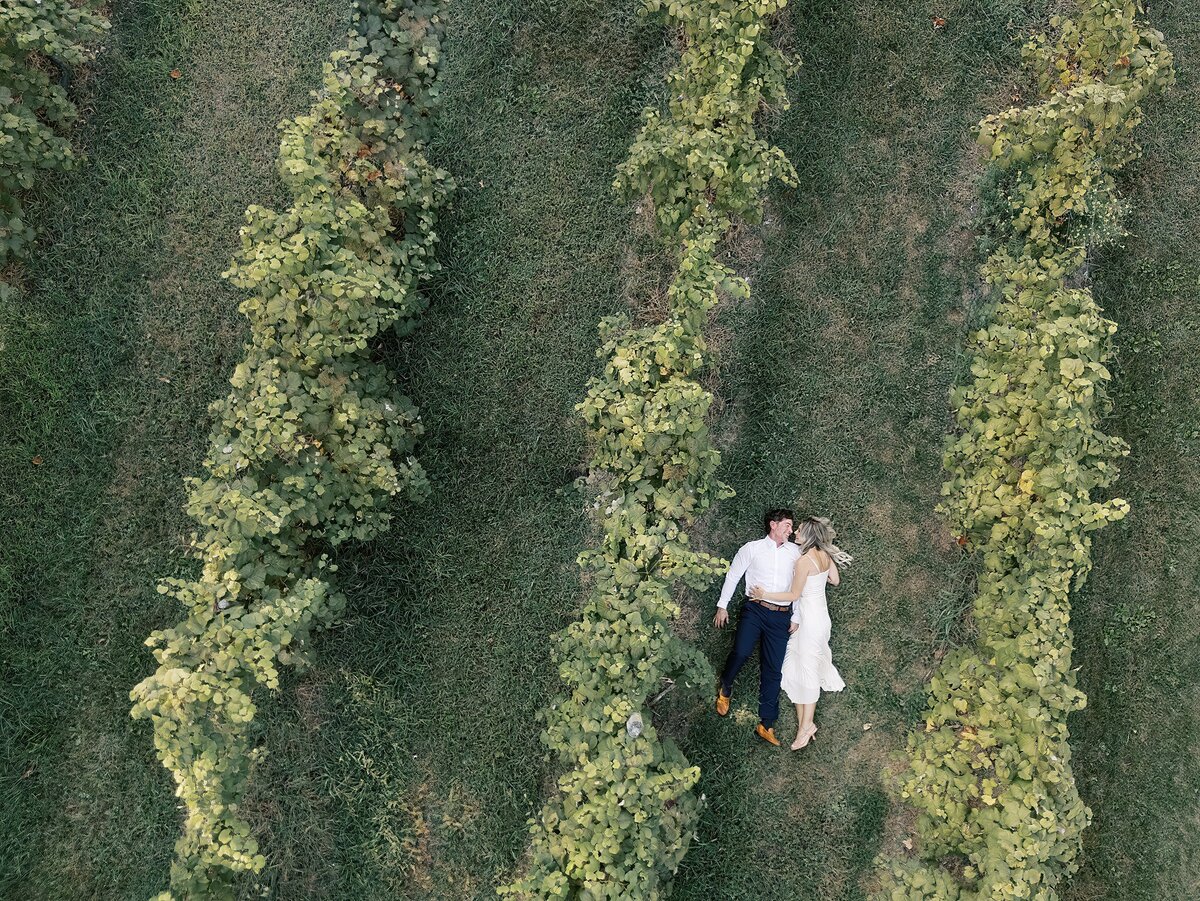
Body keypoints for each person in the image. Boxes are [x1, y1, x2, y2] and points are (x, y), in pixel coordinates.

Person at [751, 515, 852, 750]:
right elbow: (835, 580)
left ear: (808, 536)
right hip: (820, 619)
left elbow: (793, 596)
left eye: (799, 531)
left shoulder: (804, 561)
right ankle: (803, 725)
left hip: (810, 621)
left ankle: (807, 726)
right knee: (797, 667)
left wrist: (764, 594)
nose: (795, 532)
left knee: (807, 671)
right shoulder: (823, 555)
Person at [712, 508, 802, 747]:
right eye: (787, 525)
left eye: (792, 527)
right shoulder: (751, 548)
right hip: (755, 609)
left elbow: (800, 586)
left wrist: (797, 616)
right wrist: (723, 606)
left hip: (782, 616)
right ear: (773, 525)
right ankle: (726, 687)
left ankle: (767, 724)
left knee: (773, 669)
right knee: (741, 651)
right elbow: (733, 576)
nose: (791, 530)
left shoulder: (796, 552)